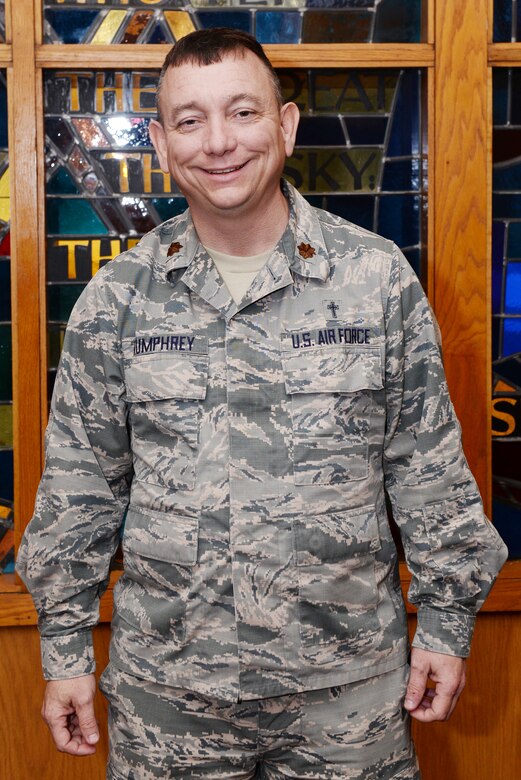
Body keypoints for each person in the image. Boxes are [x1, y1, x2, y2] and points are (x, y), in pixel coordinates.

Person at [17, 28, 507, 779]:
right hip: (170, 699)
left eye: (242, 113)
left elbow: (425, 468)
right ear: (159, 140)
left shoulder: (374, 279)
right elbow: (79, 488)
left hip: (346, 697)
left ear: (284, 124)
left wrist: (445, 625)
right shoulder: (117, 298)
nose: (218, 143)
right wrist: (63, 652)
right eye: (189, 120)